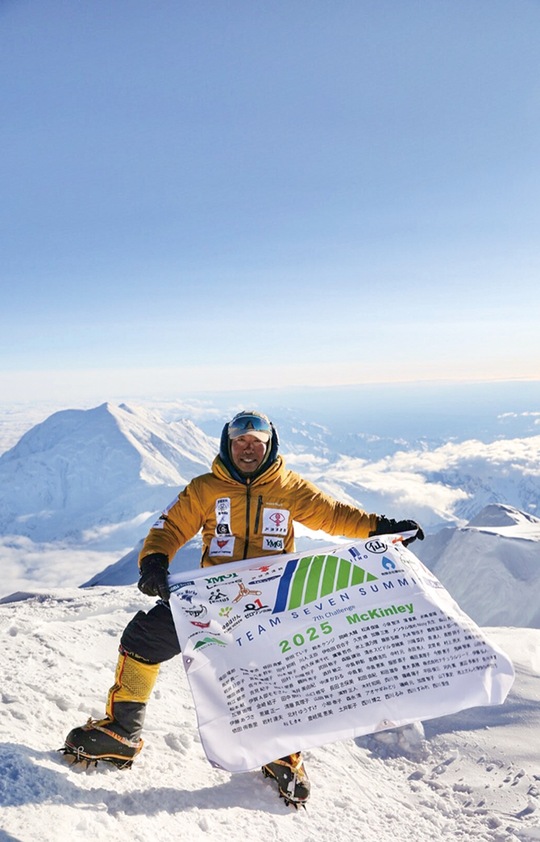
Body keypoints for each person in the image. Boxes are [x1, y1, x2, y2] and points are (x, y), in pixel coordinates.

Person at [62, 410, 424, 807]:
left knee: (276, 668)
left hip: (271, 600)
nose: (249, 450)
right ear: (227, 445)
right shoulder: (204, 489)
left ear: (269, 447)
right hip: (214, 596)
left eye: (257, 443)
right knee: (143, 640)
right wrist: (153, 560)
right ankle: (122, 732)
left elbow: (335, 516)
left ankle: (282, 755)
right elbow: (169, 528)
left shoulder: (291, 489)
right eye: (240, 443)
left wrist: (382, 527)